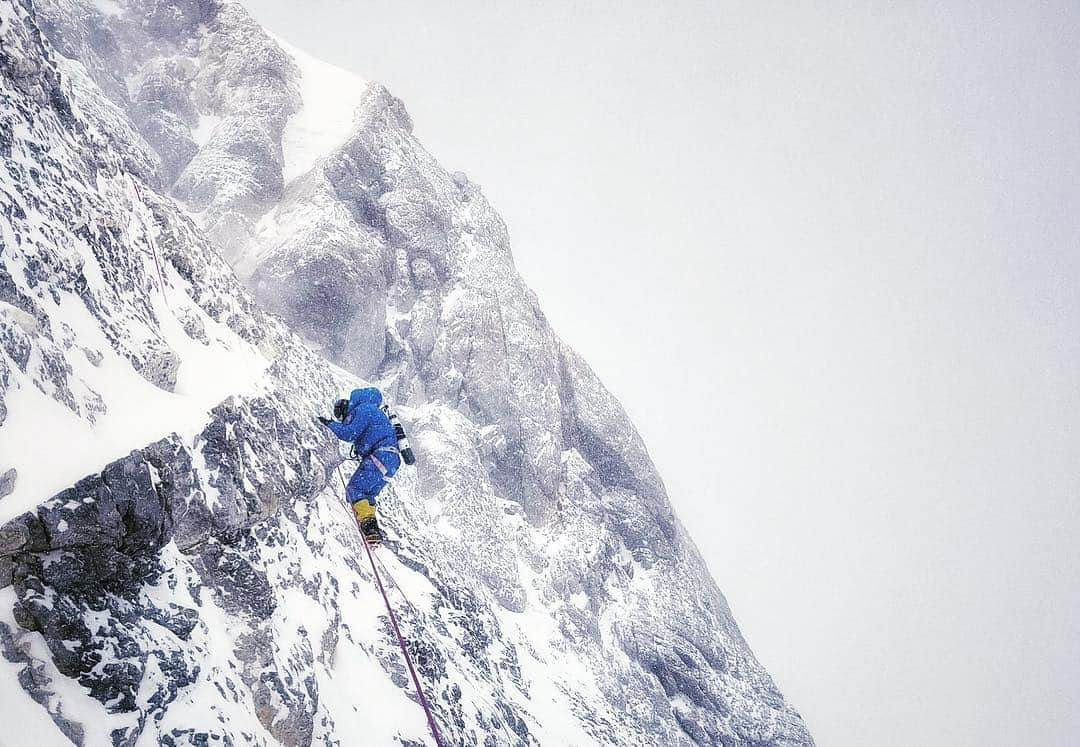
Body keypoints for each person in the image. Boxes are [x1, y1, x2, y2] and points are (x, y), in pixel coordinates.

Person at [317, 387, 401, 544]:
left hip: (381, 455)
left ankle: (369, 527)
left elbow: (349, 433)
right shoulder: (374, 411)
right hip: (392, 460)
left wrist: (329, 424)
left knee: (354, 489)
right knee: (367, 494)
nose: (344, 420)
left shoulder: (362, 409)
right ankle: (372, 532)